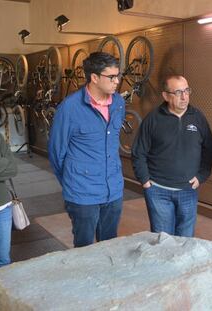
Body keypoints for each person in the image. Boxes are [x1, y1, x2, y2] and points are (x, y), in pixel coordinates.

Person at [48, 52, 125, 248]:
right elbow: (57, 153)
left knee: (109, 245)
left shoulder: (118, 103)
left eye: (118, 75)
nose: (117, 81)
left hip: (113, 190)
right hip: (82, 193)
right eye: (111, 77)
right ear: (94, 78)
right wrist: (73, 183)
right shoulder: (69, 108)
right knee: (84, 249)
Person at [131, 75, 212, 237]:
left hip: (188, 190)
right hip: (158, 191)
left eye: (186, 91)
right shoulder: (153, 119)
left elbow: (210, 147)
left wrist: (202, 175)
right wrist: (144, 180)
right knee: (163, 240)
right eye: (178, 92)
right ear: (165, 96)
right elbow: (139, 152)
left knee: (185, 239)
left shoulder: (197, 117)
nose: (184, 97)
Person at [0, 132, 17, 267]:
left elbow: (13, 169)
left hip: (3, 206)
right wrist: (2, 162)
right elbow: (7, 164)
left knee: (4, 261)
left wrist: (6, 162)